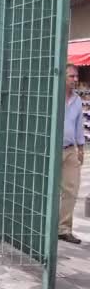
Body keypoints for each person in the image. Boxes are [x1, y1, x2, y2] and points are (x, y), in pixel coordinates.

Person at [59, 64, 85, 244]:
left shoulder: (77, 101)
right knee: (48, 190)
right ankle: (43, 227)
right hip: (51, 150)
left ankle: (64, 229)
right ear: (63, 77)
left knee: (72, 189)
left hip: (69, 150)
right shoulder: (53, 96)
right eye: (71, 76)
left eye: (76, 77)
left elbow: (78, 125)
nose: (75, 80)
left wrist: (81, 147)